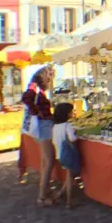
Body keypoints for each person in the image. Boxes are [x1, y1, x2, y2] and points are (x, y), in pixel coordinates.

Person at [21, 67, 57, 207]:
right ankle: (42, 196)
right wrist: (37, 112)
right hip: (43, 126)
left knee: (45, 161)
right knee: (49, 161)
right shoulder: (34, 87)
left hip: (43, 126)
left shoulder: (35, 87)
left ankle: (44, 191)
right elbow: (26, 98)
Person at [52, 102, 79, 209]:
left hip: (59, 154)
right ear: (67, 114)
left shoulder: (55, 126)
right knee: (69, 176)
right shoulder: (68, 125)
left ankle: (60, 194)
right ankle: (69, 201)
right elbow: (73, 138)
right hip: (67, 154)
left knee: (70, 175)